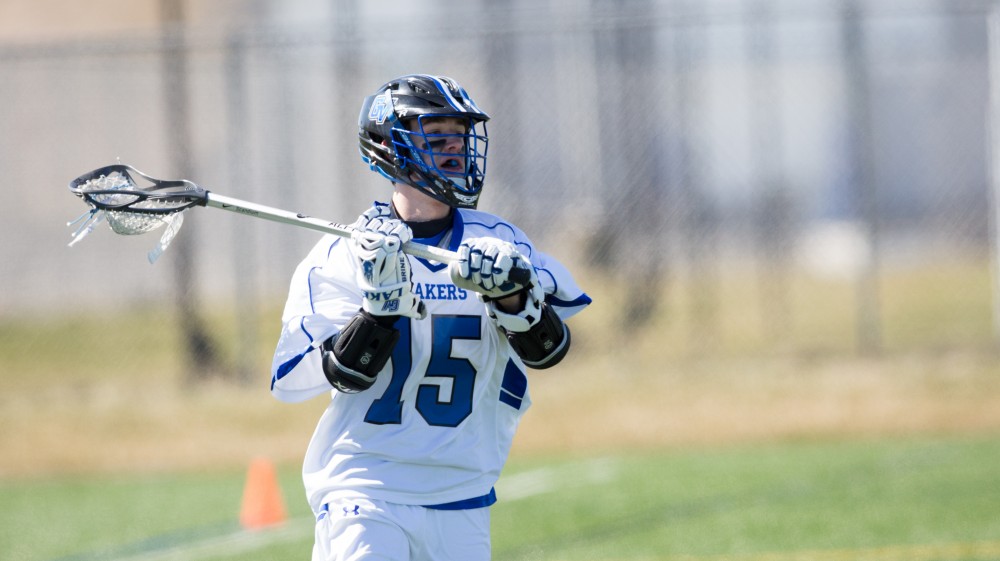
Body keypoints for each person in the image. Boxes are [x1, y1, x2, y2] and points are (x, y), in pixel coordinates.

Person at [270, 74, 591, 561]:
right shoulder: (344, 254)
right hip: (366, 487)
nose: (456, 150)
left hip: (461, 493)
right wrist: (378, 311)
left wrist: (512, 297)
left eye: (460, 137)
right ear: (391, 146)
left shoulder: (499, 240)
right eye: (438, 136)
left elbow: (550, 350)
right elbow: (317, 378)